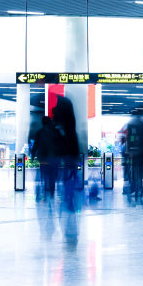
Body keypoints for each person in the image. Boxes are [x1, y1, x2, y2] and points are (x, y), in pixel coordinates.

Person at [51, 96, 82, 242]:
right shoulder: (70, 129)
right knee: (68, 180)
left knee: (67, 181)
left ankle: (67, 199)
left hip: (66, 160)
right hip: (70, 160)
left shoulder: (62, 130)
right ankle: (68, 199)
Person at [123, 108, 143, 199]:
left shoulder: (131, 124)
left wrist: (129, 151)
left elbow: (129, 138)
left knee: (135, 172)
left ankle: (136, 188)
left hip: (135, 153)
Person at [32, 116, 58, 201]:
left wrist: (32, 155)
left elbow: (35, 145)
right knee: (52, 176)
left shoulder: (39, 133)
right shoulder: (55, 132)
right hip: (53, 159)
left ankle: (44, 190)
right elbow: (59, 145)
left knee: (43, 175)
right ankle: (51, 191)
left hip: (43, 159)